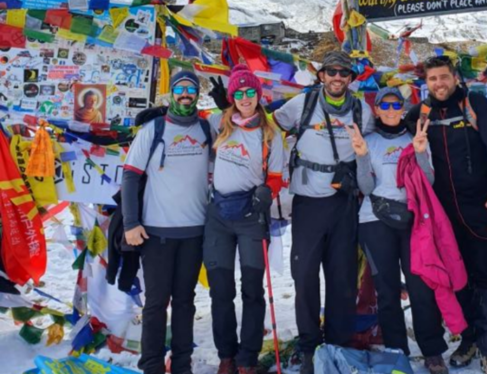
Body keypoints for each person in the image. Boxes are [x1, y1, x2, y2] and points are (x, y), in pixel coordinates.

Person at [348, 86, 465, 374]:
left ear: (402, 107)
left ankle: (432, 350)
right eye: (384, 106)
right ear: (376, 110)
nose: (389, 110)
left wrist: (422, 153)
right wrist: (362, 156)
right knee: (386, 289)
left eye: (395, 105)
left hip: (414, 221)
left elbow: (428, 180)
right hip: (374, 220)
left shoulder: (415, 138)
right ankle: (396, 348)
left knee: (421, 286)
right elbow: (366, 188)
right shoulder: (368, 140)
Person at [405, 56, 487, 374]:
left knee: (485, 276)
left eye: (444, 77)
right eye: (433, 78)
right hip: (443, 215)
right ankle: (469, 338)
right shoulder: (420, 114)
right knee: (457, 279)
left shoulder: (474, 103)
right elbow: (393, 129)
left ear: (455, 78)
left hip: (482, 206)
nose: (439, 83)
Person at [273, 50, 374, 374]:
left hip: (343, 202)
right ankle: (309, 346)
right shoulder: (300, 105)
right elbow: (268, 129)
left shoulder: (362, 109)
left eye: (344, 73)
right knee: (304, 277)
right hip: (307, 203)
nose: (337, 78)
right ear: (322, 75)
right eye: (331, 71)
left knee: (342, 278)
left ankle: (338, 343)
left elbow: (378, 139)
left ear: (351, 79)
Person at [122, 70, 211, 374]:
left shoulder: (206, 128)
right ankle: (152, 366)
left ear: (197, 94)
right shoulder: (154, 128)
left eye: (191, 89)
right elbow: (131, 175)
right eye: (180, 89)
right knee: (157, 304)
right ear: (172, 93)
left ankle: (182, 364)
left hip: (195, 232)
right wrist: (131, 223)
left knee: (186, 302)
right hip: (157, 232)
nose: (185, 94)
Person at [205, 64, 285, 374]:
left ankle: (247, 357)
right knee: (221, 289)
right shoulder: (219, 123)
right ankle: (227, 354)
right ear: (232, 97)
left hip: (251, 216)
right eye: (239, 93)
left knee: (253, 289)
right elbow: (186, 125)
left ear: (259, 95)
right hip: (219, 217)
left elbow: (276, 177)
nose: (246, 98)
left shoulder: (270, 134)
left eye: (251, 92)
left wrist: (268, 192)